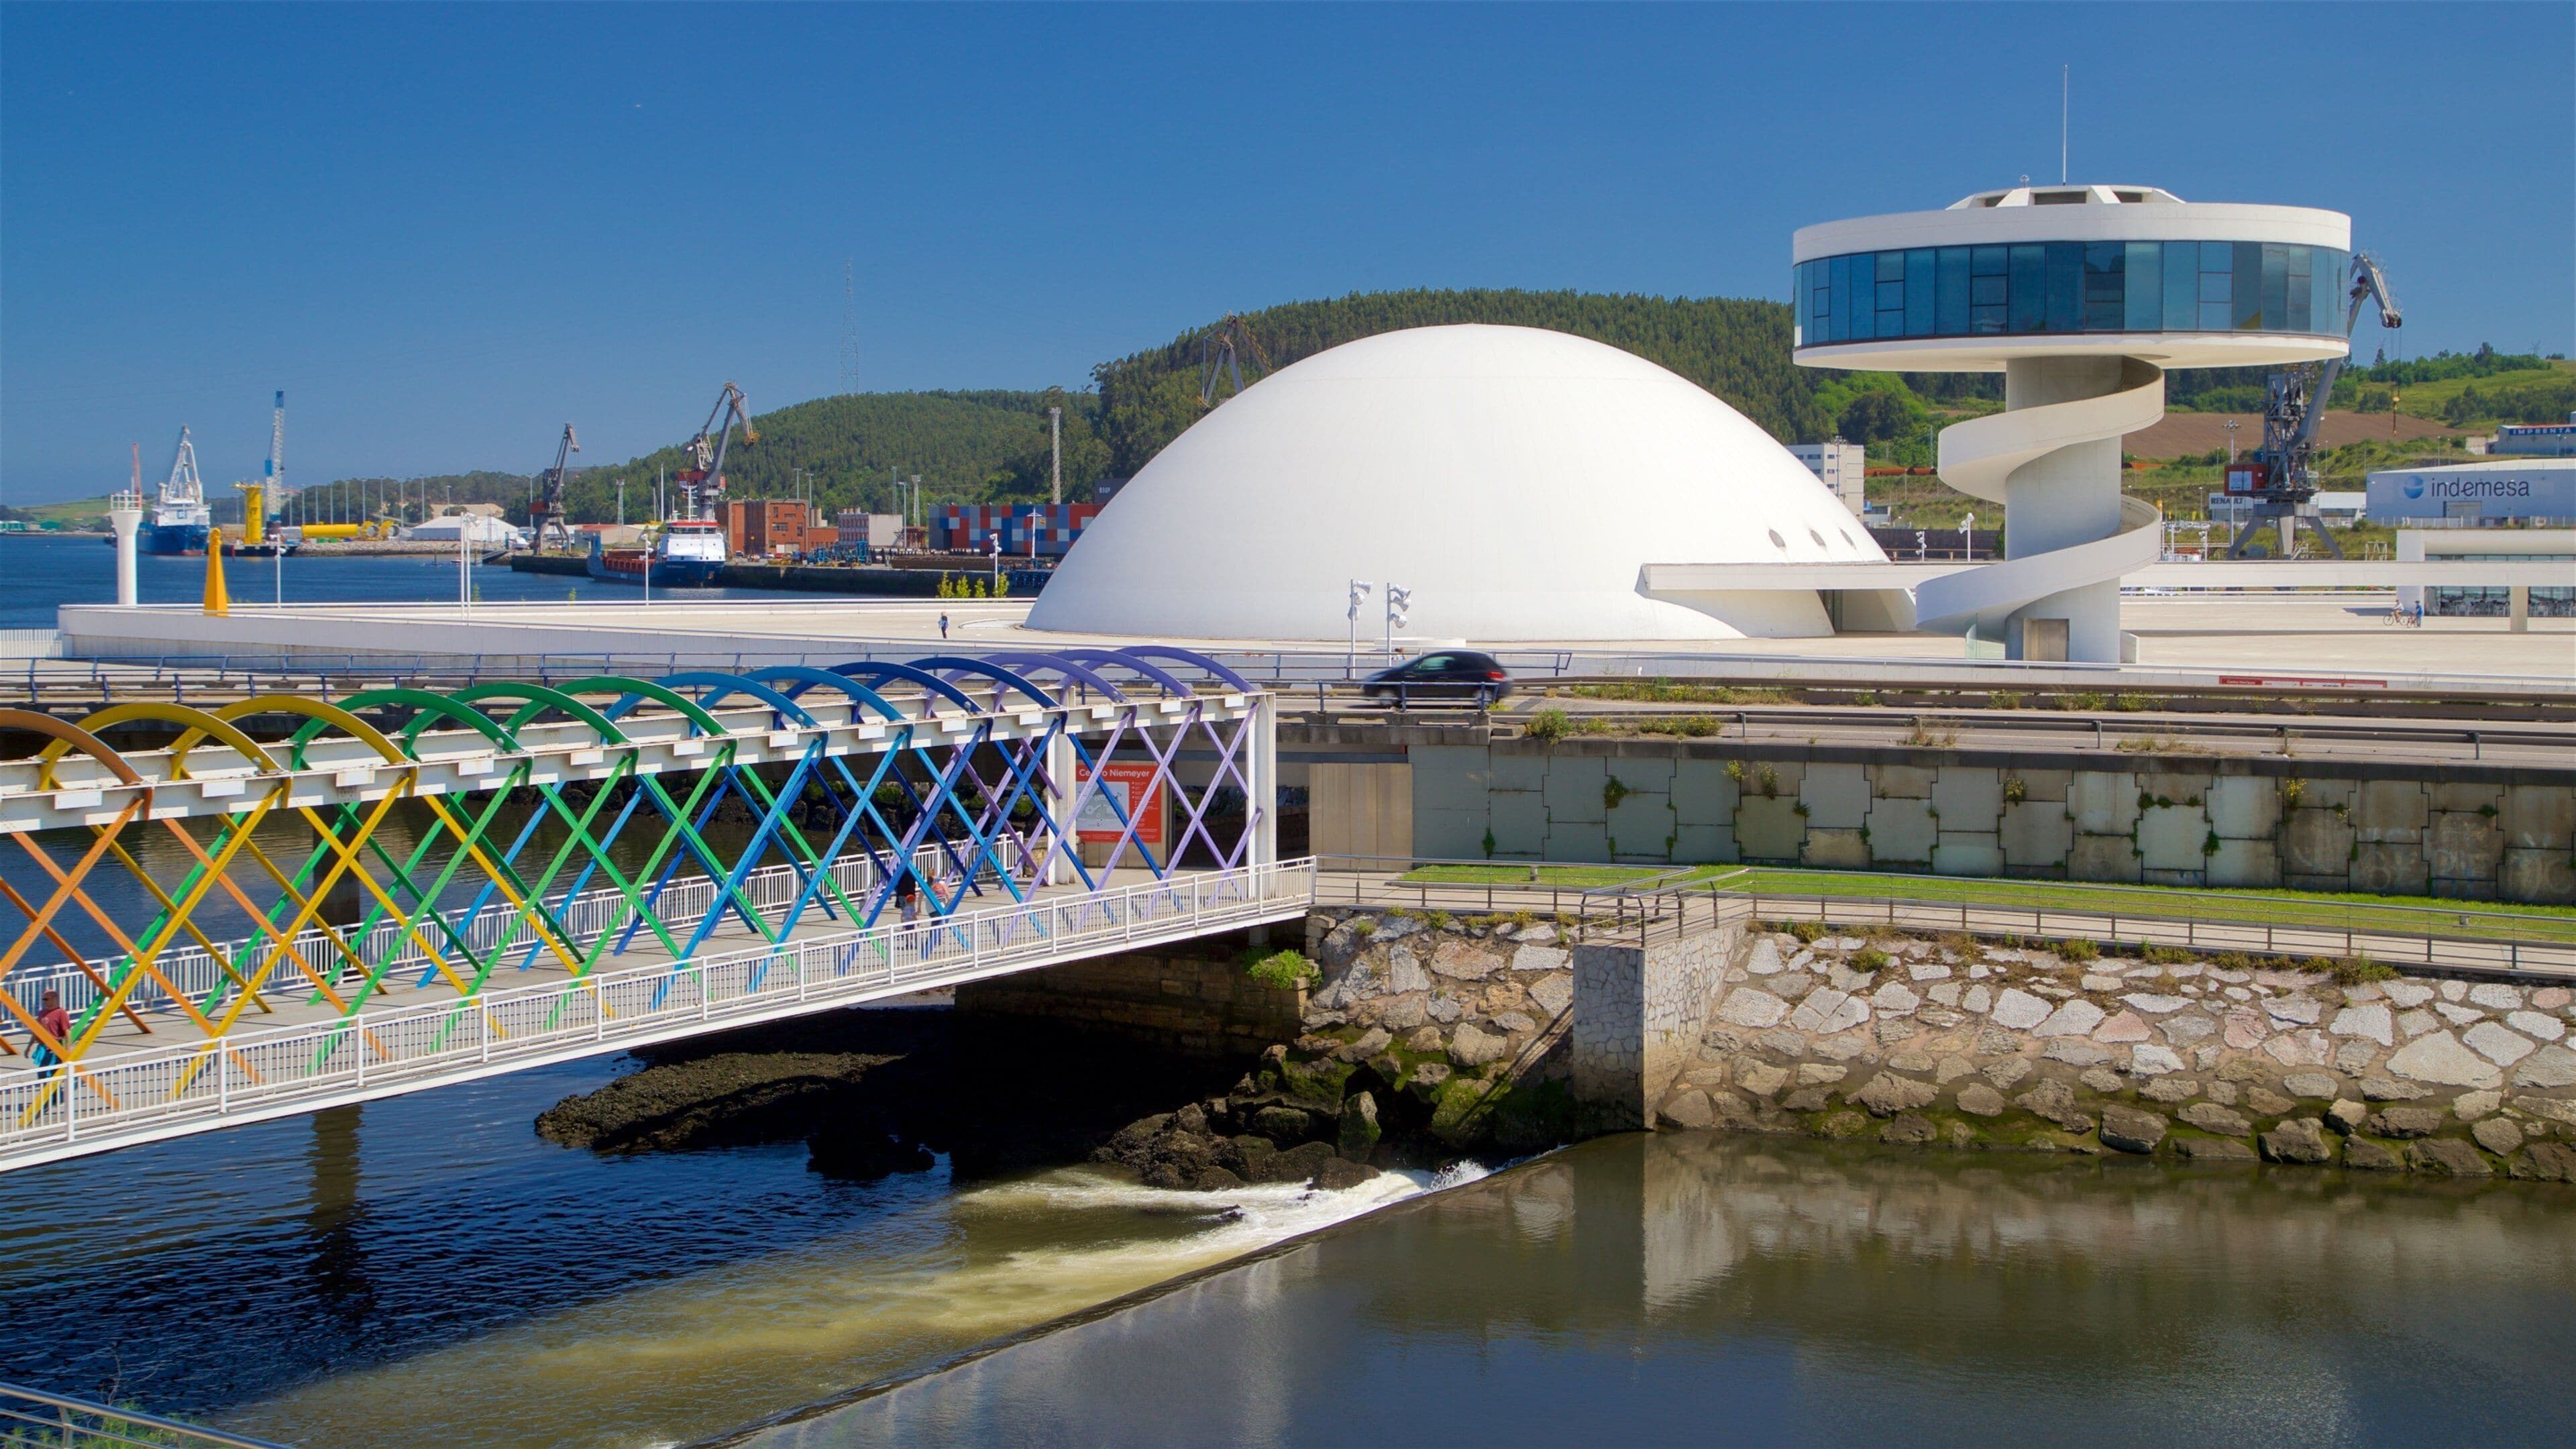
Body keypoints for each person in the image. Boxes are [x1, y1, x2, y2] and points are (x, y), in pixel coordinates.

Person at [28, 989, 70, 1069]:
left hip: (55, 1046)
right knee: (42, 1071)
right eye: (43, 999)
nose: (44, 1002)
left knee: (53, 1070)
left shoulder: (61, 1013)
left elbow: (67, 1030)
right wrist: (29, 1046)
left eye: (46, 999)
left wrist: (67, 1047)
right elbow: (36, 1031)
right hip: (43, 1046)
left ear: (54, 999)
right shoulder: (42, 1013)